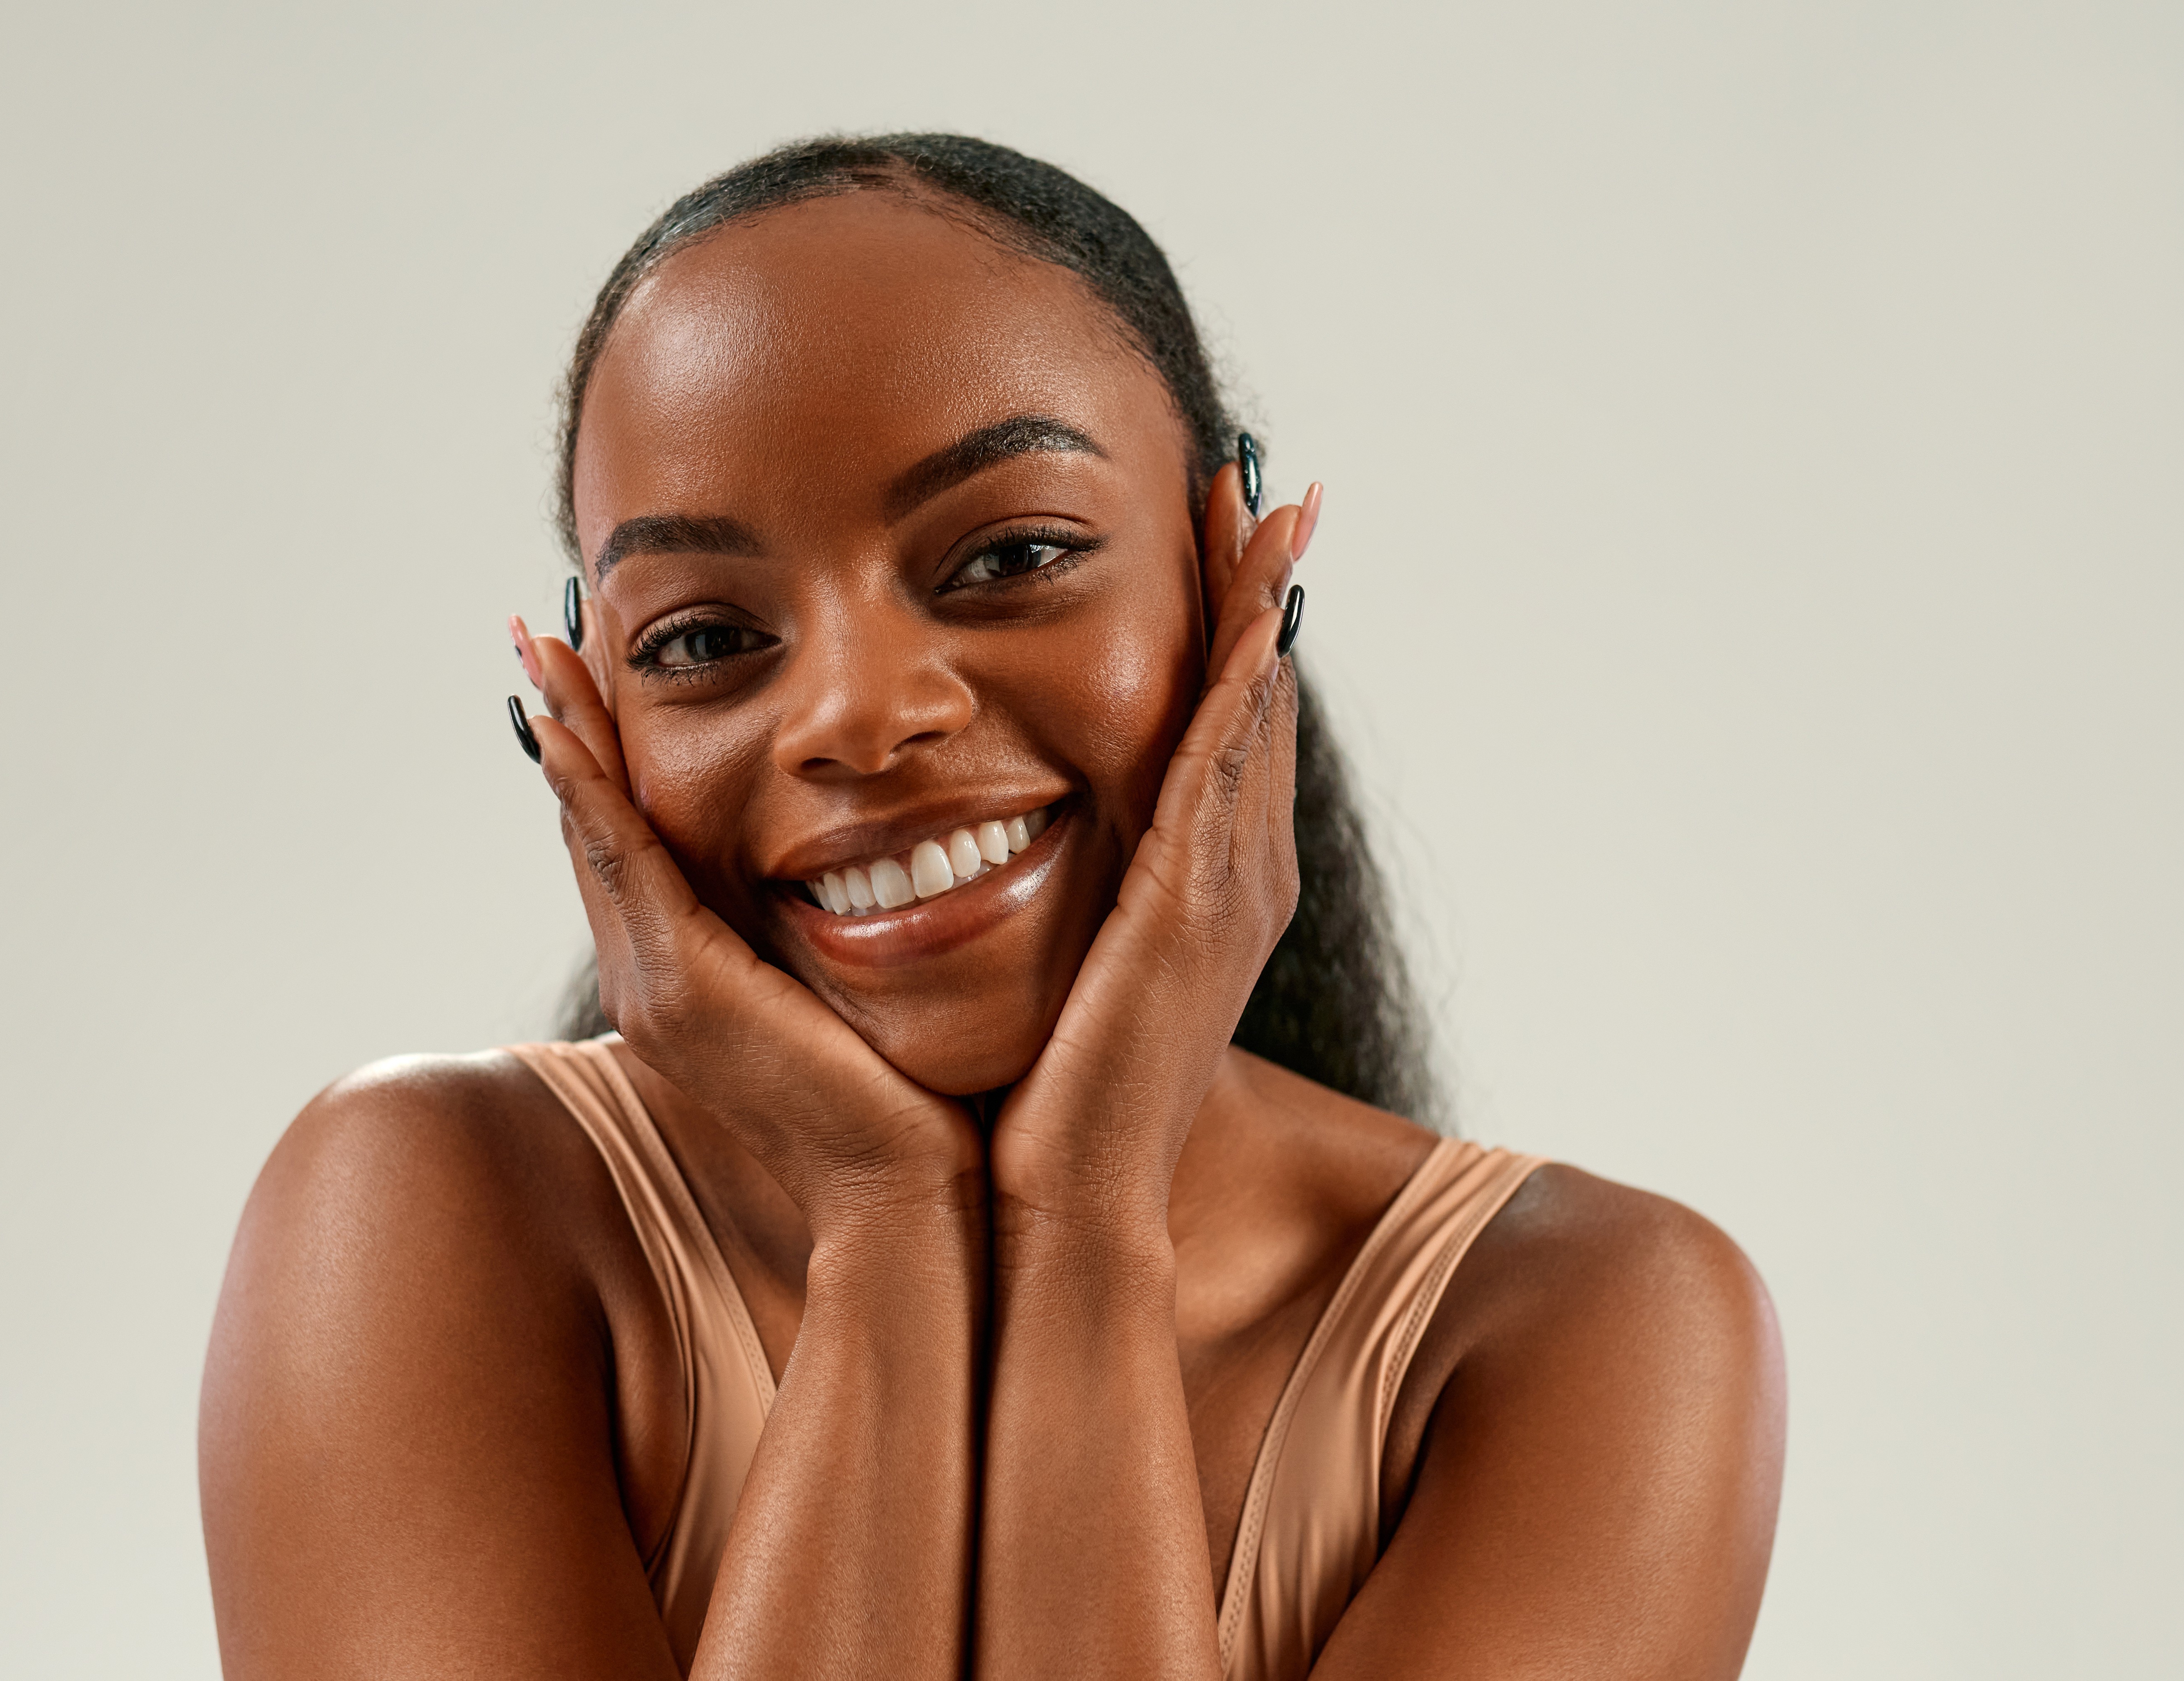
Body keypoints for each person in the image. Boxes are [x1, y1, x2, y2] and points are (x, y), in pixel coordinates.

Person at [198, 134, 1786, 1680]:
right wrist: (888, 1230)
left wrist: (1081, 1221)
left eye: (1011, 552)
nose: (856, 714)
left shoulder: (1591, 1329)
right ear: (594, 716)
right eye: (700, 639)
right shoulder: (425, 1212)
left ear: (1230, 581)